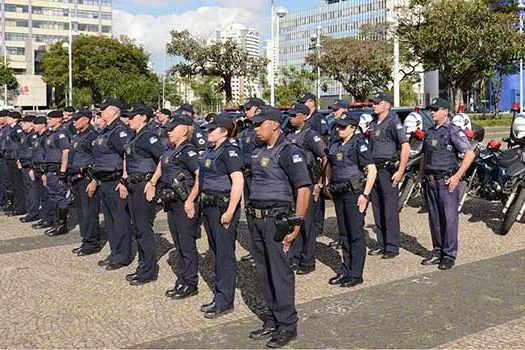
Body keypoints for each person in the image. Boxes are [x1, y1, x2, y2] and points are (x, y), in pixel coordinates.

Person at [246, 105, 311, 348]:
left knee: (280, 273)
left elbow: (303, 190)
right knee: (264, 272)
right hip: (257, 219)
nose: (256, 130)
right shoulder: (257, 151)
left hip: (277, 220)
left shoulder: (288, 152)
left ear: (274, 124)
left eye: (259, 125)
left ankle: (287, 325)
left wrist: (296, 225)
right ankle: (272, 320)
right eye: (254, 125)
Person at [147, 116, 201, 299]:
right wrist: (153, 182)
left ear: (184, 130)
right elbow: (162, 166)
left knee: (187, 244)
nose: (168, 131)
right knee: (178, 243)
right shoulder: (172, 150)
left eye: (172, 129)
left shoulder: (188, 151)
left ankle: (191, 282)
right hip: (171, 202)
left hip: (184, 202)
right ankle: (183, 278)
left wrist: (190, 200)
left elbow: (200, 175)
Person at [419, 98, 475, 270]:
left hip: (446, 181)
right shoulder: (429, 132)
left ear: (445, 111)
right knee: (434, 218)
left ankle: (449, 255)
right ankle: (437, 251)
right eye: (431, 110)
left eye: (436, 109)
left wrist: (457, 176)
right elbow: (424, 156)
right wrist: (420, 177)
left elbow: (469, 154)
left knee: (449, 219)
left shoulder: (453, 130)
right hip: (430, 180)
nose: (432, 112)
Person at [199, 111, 244, 319]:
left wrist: (230, 211)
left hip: (223, 208)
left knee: (224, 255)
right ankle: (219, 296)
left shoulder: (230, 151)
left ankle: (225, 301)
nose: (208, 132)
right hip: (209, 207)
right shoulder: (212, 150)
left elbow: (238, 182)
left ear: (224, 132)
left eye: (212, 129)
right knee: (216, 253)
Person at [326, 112, 377, 287]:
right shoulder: (336, 144)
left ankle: (356, 274)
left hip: (354, 194)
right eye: (338, 126)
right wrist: (327, 183)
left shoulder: (359, 144)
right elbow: (329, 165)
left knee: (355, 234)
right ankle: (346, 270)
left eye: (343, 126)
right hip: (339, 193)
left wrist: (365, 195)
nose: (339, 129)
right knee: (344, 234)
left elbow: (372, 170)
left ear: (353, 128)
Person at [119, 105, 165, 285]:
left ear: (143, 118)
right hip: (133, 184)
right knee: (138, 228)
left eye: (132, 116)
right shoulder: (135, 136)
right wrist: (124, 180)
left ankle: (148, 271)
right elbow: (127, 159)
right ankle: (142, 266)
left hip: (144, 186)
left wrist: (153, 183)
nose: (128, 119)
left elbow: (163, 159)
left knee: (144, 229)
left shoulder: (149, 137)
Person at [87, 98, 133, 271]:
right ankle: (115, 252)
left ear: (113, 111)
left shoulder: (120, 131)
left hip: (116, 180)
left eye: (104, 109)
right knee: (110, 220)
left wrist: (124, 179)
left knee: (120, 219)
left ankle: (123, 256)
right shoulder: (106, 130)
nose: (101, 112)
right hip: (104, 180)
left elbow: (128, 155)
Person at [286, 103, 328, 275]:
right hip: (292, 185)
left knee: (307, 224)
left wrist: (319, 183)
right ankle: (295, 257)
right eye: (290, 115)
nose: (291, 118)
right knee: (294, 221)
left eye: (295, 115)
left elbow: (324, 157)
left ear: (304, 116)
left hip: (307, 184)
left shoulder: (311, 135)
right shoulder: (288, 135)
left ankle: (308, 261)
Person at [367, 92, 409, 259]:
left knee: (390, 209)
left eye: (378, 103)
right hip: (374, 170)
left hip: (387, 170)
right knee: (377, 207)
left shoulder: (393, 122)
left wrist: (400, 171)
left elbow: (404, 146)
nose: (374, 105)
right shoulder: (373, 123)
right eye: (373, 103)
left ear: (387, 105)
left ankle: (391, 246)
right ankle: (381, 243)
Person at [68, 109, 102, 257]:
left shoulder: (92, 136)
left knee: (89, 212)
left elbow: (98, 159)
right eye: (73, 119)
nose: (74, 121)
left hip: (87, 178)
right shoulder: (78, 135)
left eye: (77, 119)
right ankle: (86, 239)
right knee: (81, 212)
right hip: (76, 177)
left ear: (87, 120)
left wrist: (95, 180)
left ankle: (92, 242)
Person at [238, 97, 266, 263]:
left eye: (248, 109)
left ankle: (264, 249)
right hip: (247, 174)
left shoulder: (262, 129)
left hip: (259, 175)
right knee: (250, 212)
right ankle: (256, 248)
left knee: (261, 213)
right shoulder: (247, 128)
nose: (245, 112)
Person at [298, 93, 329, 239]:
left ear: (312, 102)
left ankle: (317, 226)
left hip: (317, 161)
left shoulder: (318, 119)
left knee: (318, 194)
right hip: (305, 164)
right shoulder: (305, 118)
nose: (304, 104)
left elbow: (323, 138)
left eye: (305, 102)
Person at [42, 110, 70, 236]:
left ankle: (62, 225)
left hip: (57, 170)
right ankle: (56, 223)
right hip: (50, 169)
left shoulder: (61, 134)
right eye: (48, 119)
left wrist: (63, 170)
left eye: (52, 119)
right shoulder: (51, 134)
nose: (49, 121)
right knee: (53, 196)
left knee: (60, 197)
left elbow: (65, 152)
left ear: (59, 119)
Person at [30, 116, 54, 229]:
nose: (33, 126)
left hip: (44, 170)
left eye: (35, 124)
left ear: (42, 125)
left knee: (47, 196)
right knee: (42, 195)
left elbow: (47, 156)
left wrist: (45, 172)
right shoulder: (37, 137)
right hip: (36, 168)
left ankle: (49, 219)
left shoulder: (47, 137)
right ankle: (44, 217)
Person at [17, 115, 40, 223]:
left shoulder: (33, 136)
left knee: (32, 190)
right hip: (24, 165)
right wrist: (19, 160)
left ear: (31, 123)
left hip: (29, 166)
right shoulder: (26, 135)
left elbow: (32, 153)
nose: (22, 125)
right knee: (28, 189)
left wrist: (31, 166)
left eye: (25, 123)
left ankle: (33, 212)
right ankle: (30, 210)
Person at [4, 111, 26, 216]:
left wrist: (19, 157)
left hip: (15, 158)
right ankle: (15, 206)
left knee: (18, 184)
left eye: (9, 117)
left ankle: (20, 207)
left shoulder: (18, 130)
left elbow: (23, 142)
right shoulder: (10, 129)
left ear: (15, 119)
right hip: (8, 158)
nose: (7, 119)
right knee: (12, 184)